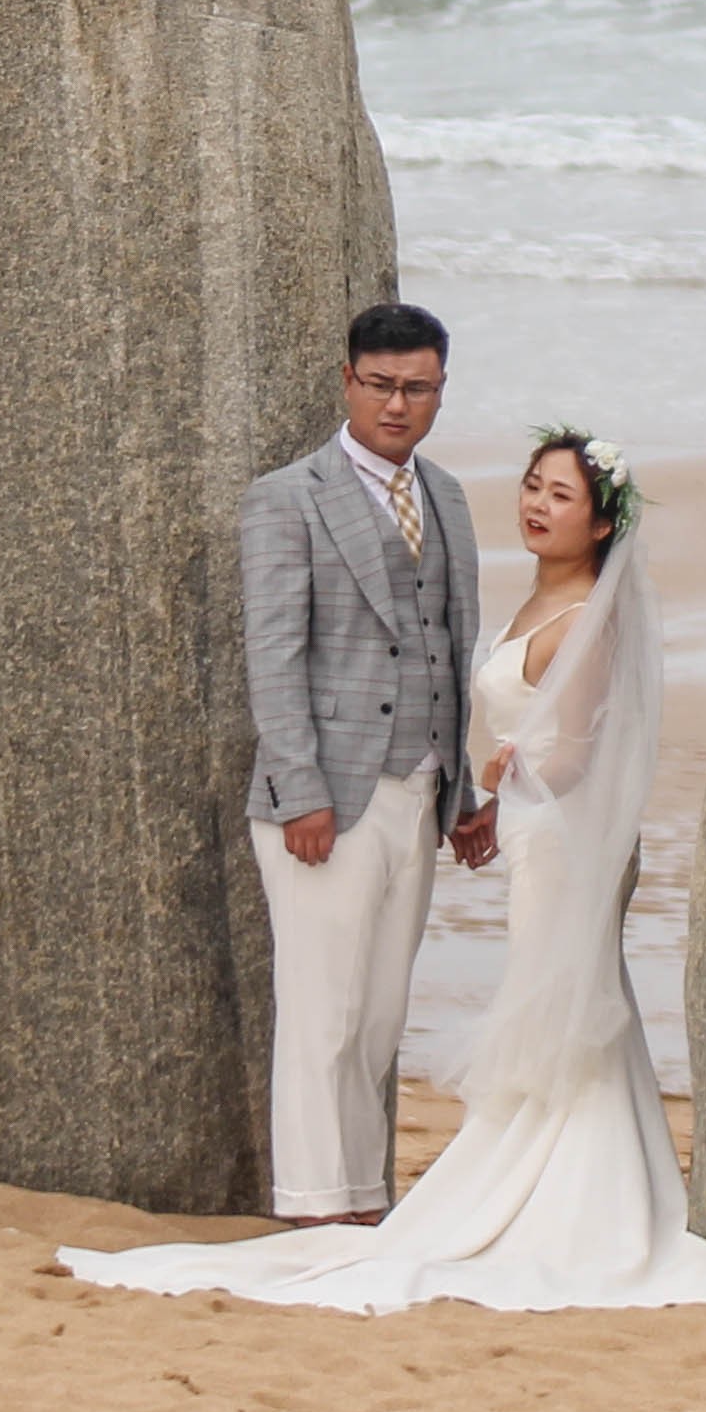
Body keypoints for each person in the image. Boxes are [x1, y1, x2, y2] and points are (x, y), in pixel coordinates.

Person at [66, 425, 706, 1315]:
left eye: (562, 496)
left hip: (554, 842)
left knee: (562, 1003)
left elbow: (585, 749)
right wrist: (486, 797)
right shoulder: (533, 603)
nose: (536, 505)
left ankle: (573, 1192)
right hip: (523, 832)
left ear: (601, 525)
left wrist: (506, 775)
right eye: (531, 486)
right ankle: (539, 1177)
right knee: (558, 1002)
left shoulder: (591, 614)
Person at [217, 301, 496, 1226]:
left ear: (440, 391)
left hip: (417, 789)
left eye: (417, 388)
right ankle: (308, 1203)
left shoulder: (447, 497)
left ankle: (365, 1197)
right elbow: (272, 655)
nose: (397, 405)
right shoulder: (286, 496)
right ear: (348, 382)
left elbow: (455, 648)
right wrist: (300, 791)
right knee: (321, 1012)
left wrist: (458, 789)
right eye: (380, 385)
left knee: (377, 1017)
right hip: (324, 798)